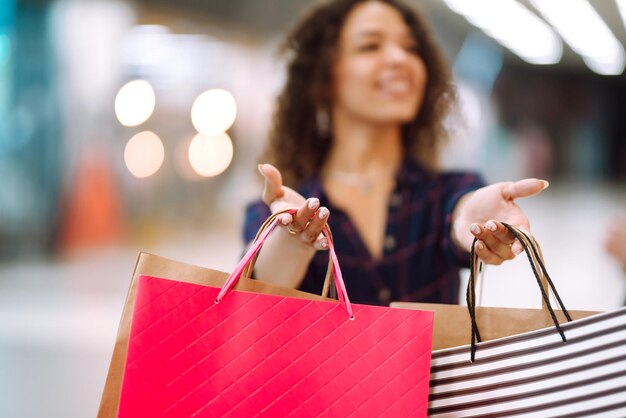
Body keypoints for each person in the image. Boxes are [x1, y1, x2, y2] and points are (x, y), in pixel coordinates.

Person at [243, 0, 549, 306]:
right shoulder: (283, 207)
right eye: (371, 46)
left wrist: (469, 220)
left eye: (411, 47)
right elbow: (258, 298)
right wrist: (292, 240)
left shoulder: (446, 192)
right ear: (323, 77)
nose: (400, 58)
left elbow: (459, 212)